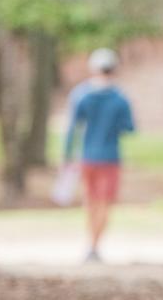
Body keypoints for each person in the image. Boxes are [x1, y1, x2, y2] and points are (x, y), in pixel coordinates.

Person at [63, 47, 135, 263]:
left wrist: (67, 155)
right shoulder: (120, 98)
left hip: (87, 157)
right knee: (105, 203)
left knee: (91, 201)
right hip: (110, 157)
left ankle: (91, 244)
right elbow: (129, 128)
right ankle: (95, 245)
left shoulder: (81, 95)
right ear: (114, 69)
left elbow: (72, 128)